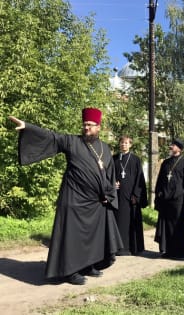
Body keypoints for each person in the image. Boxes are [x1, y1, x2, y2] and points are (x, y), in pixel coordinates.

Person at [9, 108, 123, 285]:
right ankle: (71, 271)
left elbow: (109, 174)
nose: (86, 128)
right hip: (74, 199)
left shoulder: (105, 149)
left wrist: (109, 194)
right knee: (73, 237)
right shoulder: (72, 141)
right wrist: (28, 127)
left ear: (98, 127)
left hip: (95, 202)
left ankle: (88, 265)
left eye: (90, 125)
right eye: (84, 124)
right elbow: (51, 136)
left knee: (94, 237)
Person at [154, 138, 184, 259]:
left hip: (179, 201)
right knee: (167, 226)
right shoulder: (166, 163)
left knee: (178, 227)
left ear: (179, 148)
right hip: (166, 200)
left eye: (173, 145)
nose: (170, 146)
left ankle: (179, 252)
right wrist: (159, 194)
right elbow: (160, 180)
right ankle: (167, 250)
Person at [113, 135, 148, 255]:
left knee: (130, 222)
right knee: (119, 221)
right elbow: (109, 175)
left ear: (130, 145)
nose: (123, 145)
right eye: (122, 143)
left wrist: (136, 195)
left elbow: (140, 179)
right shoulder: (114, 159)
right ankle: (118, 248)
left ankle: (133, 248)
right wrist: (112, 184)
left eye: (126, 143)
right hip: (118, 196)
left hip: (131, 197)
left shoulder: (135, 159)